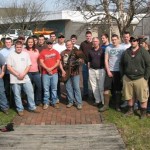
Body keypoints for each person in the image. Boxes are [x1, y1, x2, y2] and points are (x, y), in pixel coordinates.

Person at [7, 41, 40, 116]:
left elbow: (28, 66)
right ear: (15, 47)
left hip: (25, 77)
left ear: (22, 47)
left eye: (20, 47)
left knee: (30, 92)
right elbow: (9, 67)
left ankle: (32, 107)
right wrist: (17, 74)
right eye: (17, 47)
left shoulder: (25, 54)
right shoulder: (11, 55)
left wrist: (23, 74)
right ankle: (20, 109)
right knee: (17, 95)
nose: (18, 48)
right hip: (15, 78)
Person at [120, 37, 150, 118]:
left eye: (134, 41)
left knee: (143, 96)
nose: (133, 42)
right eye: (131, 41)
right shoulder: (126, 52)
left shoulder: (143, 52)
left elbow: (148, 65)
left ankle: (143, 113)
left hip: (140, 78)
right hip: (128, 78)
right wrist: (123, 75)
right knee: (129, 95)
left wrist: (146, 77)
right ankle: (130, 110)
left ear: (137, 42)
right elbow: (121, 64)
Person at [99, 34, 125, 112]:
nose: (114, 41)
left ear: (118, 39)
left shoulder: (122, 48)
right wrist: (108, 71)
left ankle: (117, 106)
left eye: (115, 39)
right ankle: (106, 105)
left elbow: (124, 60)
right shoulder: (108, 48)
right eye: (112, 39)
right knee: (106, 88)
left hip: (118, 72)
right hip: (110, 71)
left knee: (118, 89)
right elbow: (106, 60)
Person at [59, 40, 83, 110]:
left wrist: (79, 61)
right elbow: (60, 62)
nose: (68, 46)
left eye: (69, 44)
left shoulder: (76, 51)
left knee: (76, 88)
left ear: (72, 45)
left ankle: (79, 103)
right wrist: (62, 71)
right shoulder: (63, 52)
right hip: (66, 73)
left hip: (75, 73)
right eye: (67, 45)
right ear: (65, 45)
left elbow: (82, 59)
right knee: (68, 88)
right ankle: (70, 101)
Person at [39, 39, 60, 110]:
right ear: (46, 44)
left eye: (50, 43)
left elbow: (58, 62)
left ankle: (54, 102)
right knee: (46, 89)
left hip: (54, 73)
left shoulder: (56, 52)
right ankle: (46, 102)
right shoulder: (43, 52)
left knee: (54, 89)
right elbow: (41, 62)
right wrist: (47, 69)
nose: (49, 45)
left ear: (52, 44)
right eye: (48, 43)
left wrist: (51, 69)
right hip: (45, 74)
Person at [24, 37, 42, 106]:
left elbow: (39, 62)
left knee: (39, 87)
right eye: (29, 42)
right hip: (28, 72)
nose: (30, 43)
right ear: (27, 43)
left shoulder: (36, 50)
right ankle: (30, 102)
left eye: (31, 42)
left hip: (36, 72)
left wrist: (40, 71)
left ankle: (37, 101)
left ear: (33, 43)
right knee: (29, 89)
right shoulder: (24, 50)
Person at [88, 37, 105, 106]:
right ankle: (97, 100)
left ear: (99, 42)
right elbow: (89, 60)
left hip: (100, 70)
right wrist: (89, 68)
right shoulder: (90, 51)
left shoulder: (102, 50)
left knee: (101, 87)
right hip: (92, 70)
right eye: (94, 41)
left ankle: (103, 102)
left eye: (96, 41)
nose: (95, 42)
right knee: (94, 86)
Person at [0, 37, 15, 104]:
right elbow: (2, 64)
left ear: (12, 43)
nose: (8, 44)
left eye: (9, 42)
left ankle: (14, 102)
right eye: (6, 42)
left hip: (14, 73)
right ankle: (8, 102)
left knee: (14, 89)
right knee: (6, 89)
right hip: (6, 73)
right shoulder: (2, 51)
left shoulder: (15, 50)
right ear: (5, 43)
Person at [80, 31, 93, 100]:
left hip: (92, 65)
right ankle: (86, 94)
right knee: (85, 80)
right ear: (86, 36)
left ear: (91, 36)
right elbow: (80, 52)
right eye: (87, 36)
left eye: (89, 36)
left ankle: (94, 94)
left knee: (93, 81)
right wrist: (81, 59)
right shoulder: (83, 43)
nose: (88, 37)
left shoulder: (94, 43)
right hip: (85, 64)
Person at [120, 31, 131, 108]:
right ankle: (125, 101)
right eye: (124, 37)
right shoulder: (121, 46)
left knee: (133, 87)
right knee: (125, 87)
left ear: (129, 37)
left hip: (132, 69)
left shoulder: (132, 45)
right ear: (123, 38)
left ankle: (134, 103)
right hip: (124, 69)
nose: (126, 38)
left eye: (127, 37)